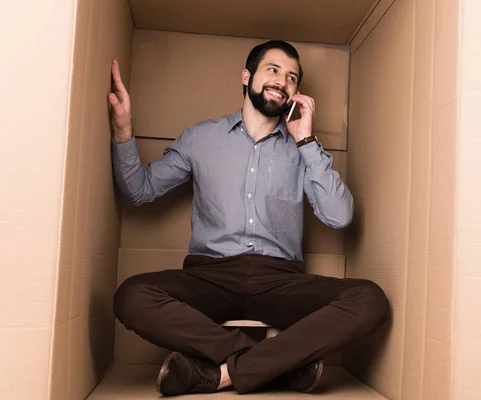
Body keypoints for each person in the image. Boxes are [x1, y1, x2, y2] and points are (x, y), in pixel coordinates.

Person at [108, 40, 389, 396]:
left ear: (296, 92)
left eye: (291, 77)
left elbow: (340, 217)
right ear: (247, 76)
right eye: (272, 70)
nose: (282, 81)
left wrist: (306, 142)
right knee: (132, 296)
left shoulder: (303, 148)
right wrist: (122, 130)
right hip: (209, 276)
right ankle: (280, 368)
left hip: (280, 281)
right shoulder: (200, 138)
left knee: (370, 300)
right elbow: (138, 190)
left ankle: (220, 374)